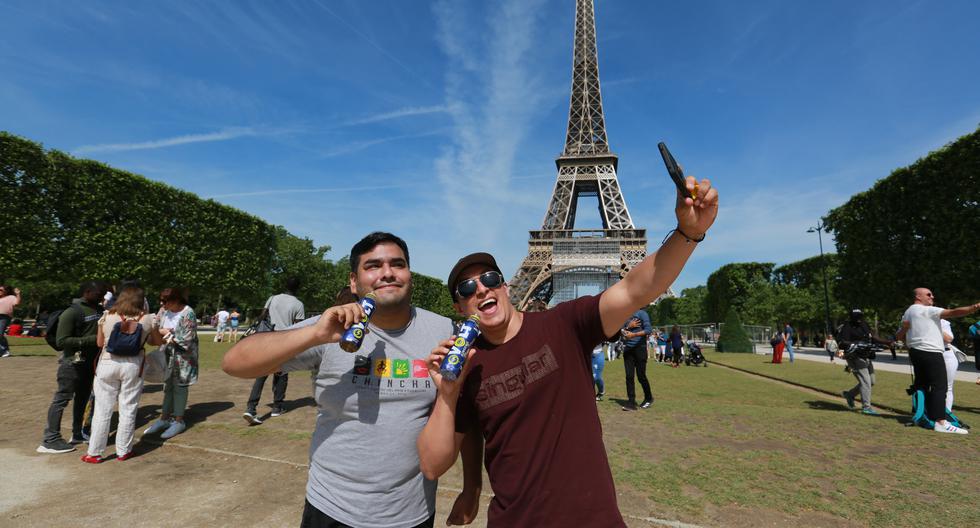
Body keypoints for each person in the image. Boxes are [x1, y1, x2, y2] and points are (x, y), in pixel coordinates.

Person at [418, 174, 717, 526]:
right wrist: (448, 394)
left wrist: (687, 234)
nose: (482, 289)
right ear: (460, 307)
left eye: (490, 279)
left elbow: (636, 289)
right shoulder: (468, 366)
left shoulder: (565, 324)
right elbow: (433, 464)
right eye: (468, 288)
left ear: (507, 285)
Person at [221, 232, 483, 528]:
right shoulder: (332, 326)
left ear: (410, 274)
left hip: (410, 513)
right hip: (332, 508)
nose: (387, 273)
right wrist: (315, 335)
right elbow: (233, 363)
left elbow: (465, 419)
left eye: (397, 264)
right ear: (354, 281)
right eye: (373, 266)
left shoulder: (444, 330)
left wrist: (472, 487)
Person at [82, 285, 162, 463]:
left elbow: (99, 342)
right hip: (133, 365)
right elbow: (156, 342)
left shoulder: (107, 316)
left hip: (108, 362)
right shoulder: (148, 318)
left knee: (102, 409)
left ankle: (94, 452)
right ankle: (124, 451)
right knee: (128, 407)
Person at [896, 288, 980, 434]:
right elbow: (954, 312)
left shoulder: (908, 312)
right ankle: (941, 422)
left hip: (916, 352)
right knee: (939, 387)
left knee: (922, 385)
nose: (932, 296)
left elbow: (899, 336)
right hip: (931, 352)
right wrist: (973, 308)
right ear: (918, 296)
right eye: (928, 294)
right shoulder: (927, 310)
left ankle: (924, 416)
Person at [37, 281, 105, 453]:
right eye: (100, 293)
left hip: (90, 364)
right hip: (71, 364)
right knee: (62, 399)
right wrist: (93, 340)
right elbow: (62, 341)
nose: (103, 297)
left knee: (83, 399)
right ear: (88, 292)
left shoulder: (98, 310)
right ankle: (50, 439)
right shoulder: (72, 312)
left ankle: (78, 433)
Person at [242, 277, 305, 425]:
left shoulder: (273, 298)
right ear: (297, 288)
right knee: (281, 374)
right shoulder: (298, 304)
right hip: (284, 342)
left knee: (261, 375)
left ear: (284, 285)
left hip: (267, 339)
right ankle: (277, 406)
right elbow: (298, 326)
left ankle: (251, 408)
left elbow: (263, 316)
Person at [144, 287, 199, 440]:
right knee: (168, 386)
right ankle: (164, 418)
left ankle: (179, 421)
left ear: (176, 300)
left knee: (180, 387)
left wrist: (164, 332)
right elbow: (154, 328)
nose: (162, 304)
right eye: (161, 301)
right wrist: (162, 332)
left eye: (165, 301)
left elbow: (185, 341)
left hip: (184, 357)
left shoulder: (188, 313)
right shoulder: (164, 311)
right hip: (166, 354)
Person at [836, 309, 891, 415]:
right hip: (854, 357)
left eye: (860, 316)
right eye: (857, 317)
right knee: (865, 382)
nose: (859, 319)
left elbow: (873, 337)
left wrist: (888, 342)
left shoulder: (864, 324)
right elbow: (842, 343)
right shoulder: (847, 327)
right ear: (851, 317)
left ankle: (850, 395)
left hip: (866, 355)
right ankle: (866, 407)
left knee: (871, 381)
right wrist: (855, 345)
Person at [620, 310, 654, 410]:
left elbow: (648, 330)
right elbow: (620, 331)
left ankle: (649, 398)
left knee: (641, 376)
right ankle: (631, 402)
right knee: (629, 376)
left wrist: (633, 335)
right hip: (628, 350)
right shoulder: (624, 314)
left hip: (640, 349)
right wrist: (627, 327)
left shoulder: (642, 314)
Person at [940, 319, 958, 412]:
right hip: (927, 354)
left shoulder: (943, 322)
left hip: (946, 354)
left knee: (947, 387)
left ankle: (946, 414)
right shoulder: (913, 318)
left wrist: (933, 324)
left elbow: (949, 339)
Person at [0, 285, 22, 357]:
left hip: (4, 317)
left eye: (1, 290)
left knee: (0, 334)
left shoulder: (11, 297)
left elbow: (17, 303)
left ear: (6, 291)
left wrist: (18, 294)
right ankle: (2, 351)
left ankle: (5, 350)